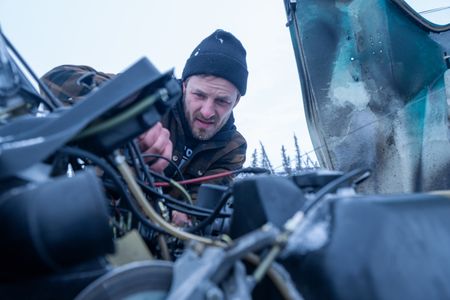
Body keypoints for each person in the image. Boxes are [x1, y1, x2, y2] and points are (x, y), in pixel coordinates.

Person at [41, 29, 248, 197]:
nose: (207, 111)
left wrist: (185, 216)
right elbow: (53, 80)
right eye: (199, 95)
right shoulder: (151, 96)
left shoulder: (233, 148)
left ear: (236, 101)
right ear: (184, 86)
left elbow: (202, 201)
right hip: (100, 210)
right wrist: (129, 115)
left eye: (222, 101)